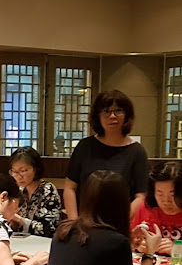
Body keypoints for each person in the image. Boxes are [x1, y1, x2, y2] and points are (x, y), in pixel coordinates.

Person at [63, 90, 149, 221]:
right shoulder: (85, 146)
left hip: (120, 224)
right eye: (106, 111)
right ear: (97, 116)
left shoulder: (137, 152)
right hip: (84, 223)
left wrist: (120, 222)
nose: (112, 116)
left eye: (118, 111)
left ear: (127, 115)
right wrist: (74, 222)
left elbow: (141, 196)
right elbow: (70, 187)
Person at [8, 146, 61, 237]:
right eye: (14, 171)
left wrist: (18, 219)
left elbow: (49, 228)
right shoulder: (20, 191)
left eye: (23, 171)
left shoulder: (48, 190)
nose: (18, 177)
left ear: (35, 169)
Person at [131, 161, 182, 255]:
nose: (166, 201)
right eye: (160, 194)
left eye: (172, 195)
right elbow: (130, 241)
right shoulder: (146, 207)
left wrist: (177, 250)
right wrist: (137, 245)